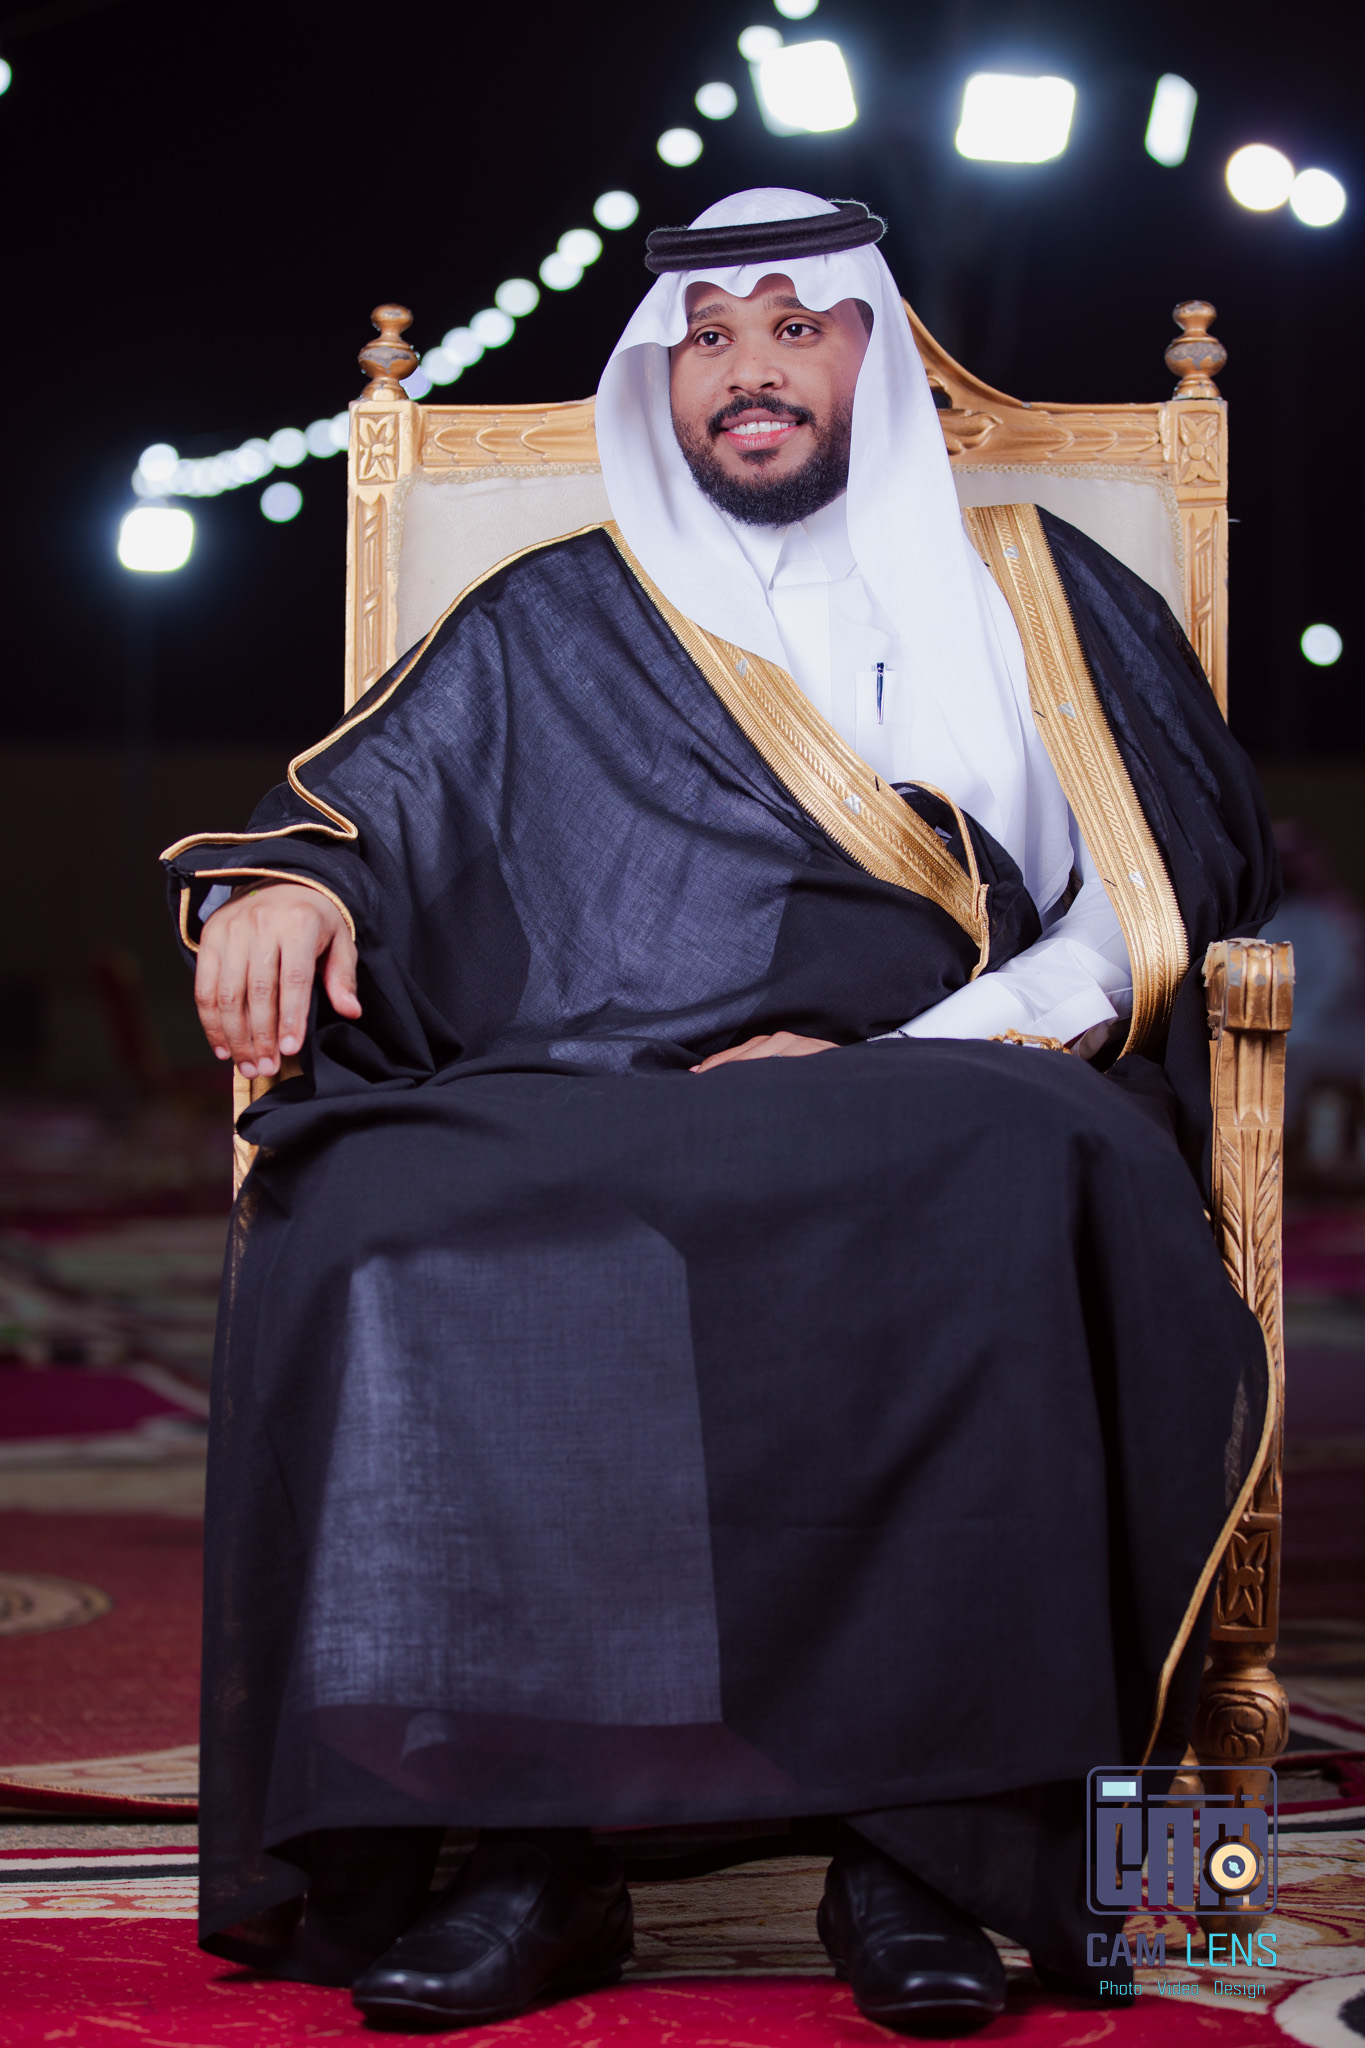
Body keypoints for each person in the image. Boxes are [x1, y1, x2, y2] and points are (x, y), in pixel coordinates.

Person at [163, 190, 1277, 2035]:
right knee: (367, 1204)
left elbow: (1160, 884)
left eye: (791, 327)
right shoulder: (558, 612)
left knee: (1031, 1168)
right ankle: (530, 1852)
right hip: (608, 1086)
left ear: (869, 353)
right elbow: (366, 812)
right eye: (706, 339)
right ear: (659, 379)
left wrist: (931, 1048)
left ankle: (931, 1859)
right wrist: (285, 891)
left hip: (953, 1084)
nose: (746, 371)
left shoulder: (1044, 590)